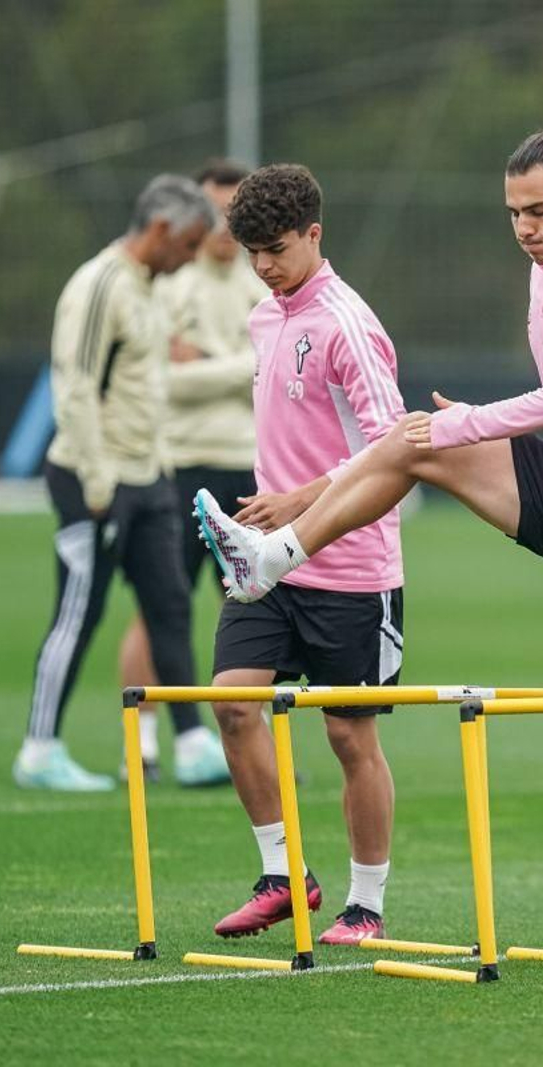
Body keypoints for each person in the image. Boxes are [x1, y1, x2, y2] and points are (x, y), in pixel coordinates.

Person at [195, 107, 543, 973]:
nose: (524, 230)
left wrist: (480, 422)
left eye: (537, 212)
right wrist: (457, 431)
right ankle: (278, 553)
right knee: (414, 438)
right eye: (512, 214)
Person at [199, 163, 409, 947]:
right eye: (251, 251)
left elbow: (396, 452)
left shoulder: (350, 324)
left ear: (315, 234)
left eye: (277, 249)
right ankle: (286, 875)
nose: (263, 265)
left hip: (353, 568)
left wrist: (299, 501)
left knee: (351, 737)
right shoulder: (264, 316)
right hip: (267, 568)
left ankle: (367, 904)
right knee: (231, 704)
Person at [15, 175, 218, 791]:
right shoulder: (99, 284)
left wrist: (155, 468)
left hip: (150, 475)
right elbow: (74, 386)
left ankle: (190, 743)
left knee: (171, 606)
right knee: (79, 612)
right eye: (188, 245)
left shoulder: (149, 288)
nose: (190, 258)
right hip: (94, 479)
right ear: (160, 230)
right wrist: (99, 484)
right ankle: (39, 749)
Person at [116, 159, 267, 787]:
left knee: (256, 607)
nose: (225, 227)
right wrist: (237, 367)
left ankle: (248, 749)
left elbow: (271, 373)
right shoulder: (173, 284)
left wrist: (209, 363)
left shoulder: (264, 284)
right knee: (161, 606)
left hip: (251, 468)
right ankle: (143, 746)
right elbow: (159, 379)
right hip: (180, 466)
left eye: (238, 212)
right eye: (216, 212)